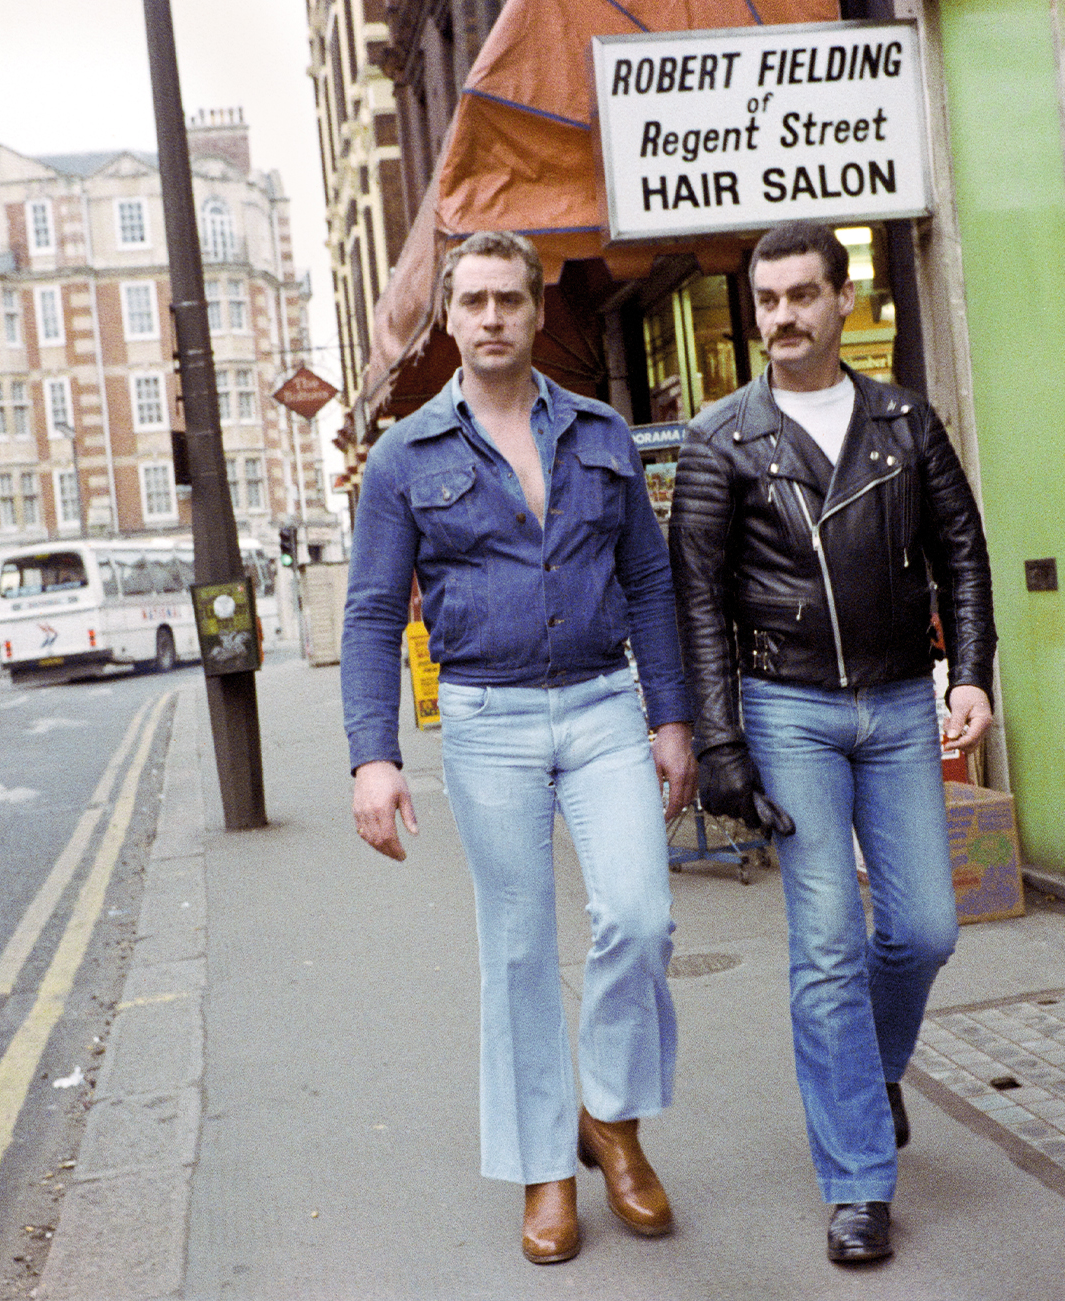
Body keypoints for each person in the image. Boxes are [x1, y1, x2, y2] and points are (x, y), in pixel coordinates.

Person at [342, 230, 697, 1265]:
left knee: (639, 912)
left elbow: (649, 581)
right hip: (487, 720)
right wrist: (374, 753)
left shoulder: (599, 433)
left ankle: (612, 1118)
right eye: (474, 300)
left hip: (599, 708)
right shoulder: (405, 455)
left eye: (511, 299)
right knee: (516, 947)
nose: (492, 316)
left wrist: (668, 716)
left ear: (539, 313)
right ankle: (547, 1164)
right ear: (446, 317)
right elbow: (369, 614)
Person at [668, 220, 996, 1264]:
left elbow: (962, 551)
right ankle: (856, 1183)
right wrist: (721, 748)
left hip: (900, 704)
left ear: (840, 299)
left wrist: (974, 672)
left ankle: (870, 1065)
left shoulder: (903, 419)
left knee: (923, 929)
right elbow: (698, 604)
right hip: (787, 708)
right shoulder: (720, 437)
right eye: (765, 301)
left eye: (801, 295)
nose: (781, 318)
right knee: (822, 947)